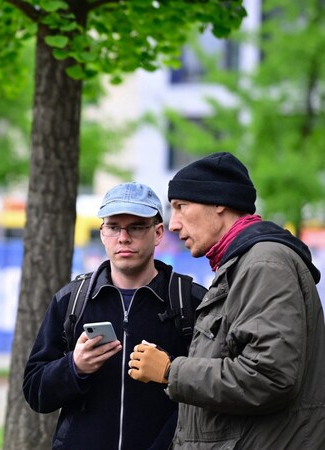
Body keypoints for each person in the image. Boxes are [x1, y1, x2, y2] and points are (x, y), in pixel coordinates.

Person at [128, 152, 325, 448]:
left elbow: (270, 377)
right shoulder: (244, 262)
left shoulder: (264, 263)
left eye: (181, 207)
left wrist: (170, 371)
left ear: (219, 202)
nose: (173, 224)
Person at [23, 182, 206, 450]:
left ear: (157, 233)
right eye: (113, 227)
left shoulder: (190, 300)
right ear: (102, 233)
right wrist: (74, 367)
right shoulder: (72, 300)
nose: (123, 237)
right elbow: (35, 392)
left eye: (136, 227)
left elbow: (210, 393)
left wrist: (170, 371)